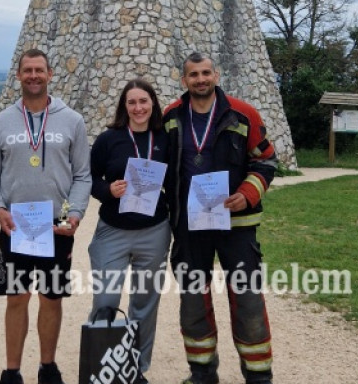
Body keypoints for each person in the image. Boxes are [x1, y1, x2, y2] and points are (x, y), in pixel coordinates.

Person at [0, 48, 91, 384]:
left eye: (39, 70)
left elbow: (83, 175)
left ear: (50, 74)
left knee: (51, 299)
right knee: (16, 298)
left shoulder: (72, 120)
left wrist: (77, 214)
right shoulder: (0, 123)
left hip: (56, 227)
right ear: (19, 76)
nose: (33, 76)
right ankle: (12, 372)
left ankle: (48, 367)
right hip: (16, 226)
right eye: (27, 70)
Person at [163, 52, 277, 384]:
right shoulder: (171, 117)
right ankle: (202, 373)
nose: (201, 79)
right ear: (183, 80)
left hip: (237, 227)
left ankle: (259, 376)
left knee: (248, 301)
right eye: (193, 75)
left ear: (217, 74)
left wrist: (248, 193)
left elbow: (266, 160)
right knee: (193, 303)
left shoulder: (244, 114)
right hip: (190, 227)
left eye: (206, 73)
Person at [88, 78, 170, 384]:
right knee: (106, 300)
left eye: (143, 101)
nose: (138, 108)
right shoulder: (109, 139)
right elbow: (89, 179)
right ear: (125, 106)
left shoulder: (164, 138)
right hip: (113, 230)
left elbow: (175, 179)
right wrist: (108, 189)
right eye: (132, 102)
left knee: (145, 303)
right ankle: (102, 367)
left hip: (154, 230)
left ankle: (136, 368)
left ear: (153, 104)